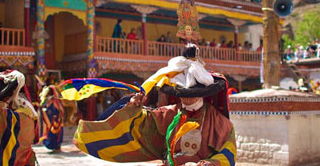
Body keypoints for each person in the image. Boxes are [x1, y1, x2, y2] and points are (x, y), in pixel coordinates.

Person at [74, 44, 236, 165]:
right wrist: (134, 108)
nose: (187, 99)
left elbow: (228, 152)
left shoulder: (220, 123)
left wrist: (210, 164)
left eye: (192, 95)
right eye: (183, 95)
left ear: (202, 94)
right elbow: (141, 124)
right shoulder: (170, 114)